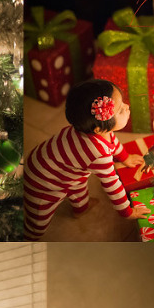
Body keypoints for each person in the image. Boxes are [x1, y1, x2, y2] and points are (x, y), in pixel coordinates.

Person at [23, 79, 139, 240]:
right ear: (98, 129)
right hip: (43, 182)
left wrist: (125, 158)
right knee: (38, 220)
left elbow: (113, 141)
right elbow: (111, 183)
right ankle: (29, 238)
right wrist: (127, 211)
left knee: (78, 182)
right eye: (120, 110)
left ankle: (81, 208)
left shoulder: (96, 131)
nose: (127, 107)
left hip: (63, 166)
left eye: (123, 104)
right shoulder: (98, 154)